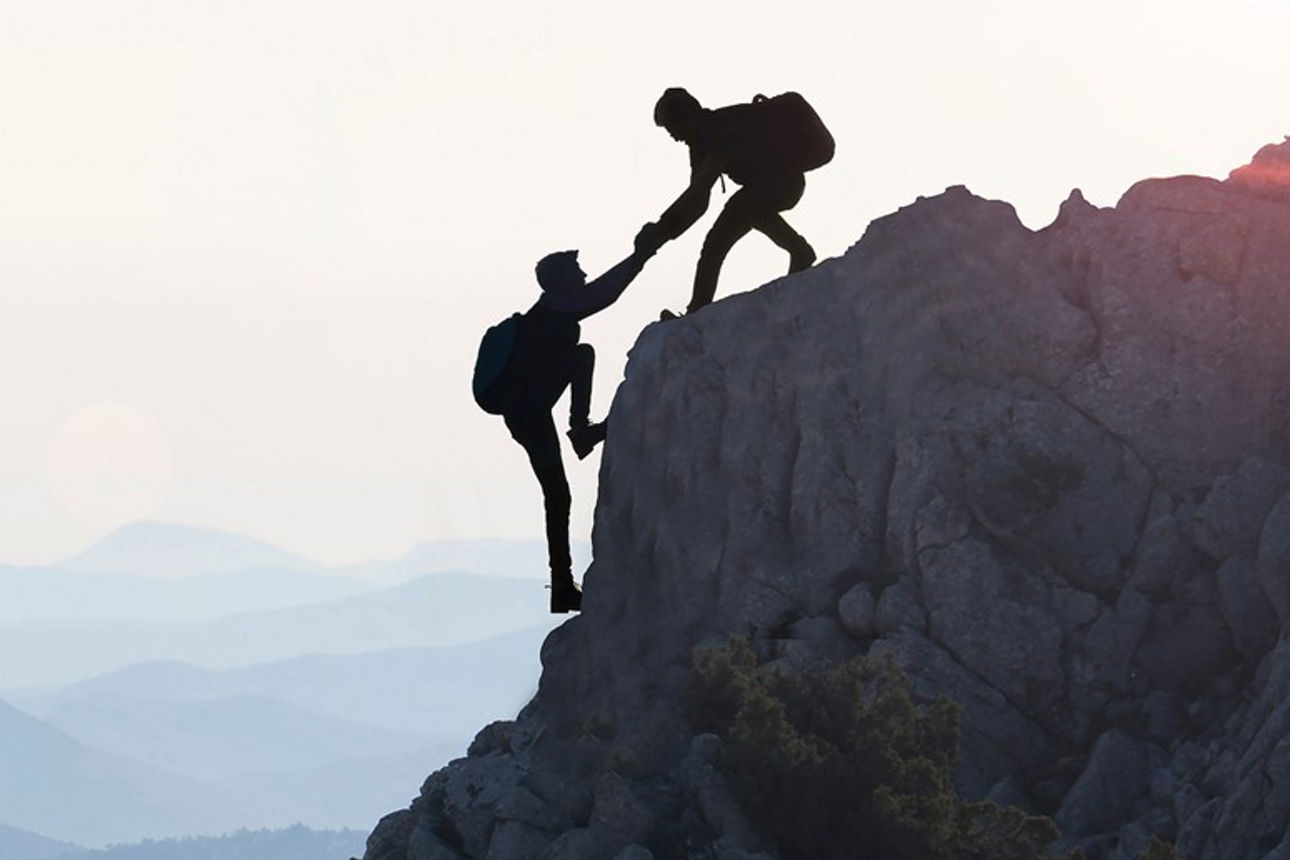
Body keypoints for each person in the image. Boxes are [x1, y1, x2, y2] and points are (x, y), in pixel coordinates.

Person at [490, 240, 655, 613]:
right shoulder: (554, 308)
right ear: (560, 282)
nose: (582, 276)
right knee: (558, 495)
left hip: (528, 410)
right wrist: (642, 254)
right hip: (529, 413)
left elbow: (596, 292)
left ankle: (562, 586)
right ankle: (561, 586)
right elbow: (605, 293)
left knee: (557, 495)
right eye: (576, 272)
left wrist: (643, 254)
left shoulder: (551, 311)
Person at [638, 87, 826, 318]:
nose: (674, 137)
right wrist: (662, 231)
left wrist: (661, 230)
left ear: (686, 116)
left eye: (673, 128)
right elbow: (698, 202)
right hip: (761, 188)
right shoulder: (701, 145)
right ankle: (696, 311)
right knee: (714, 243)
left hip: (785, 183)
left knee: (746, 211)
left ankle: (800, 251)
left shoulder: (716, 130)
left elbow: (698, 193)